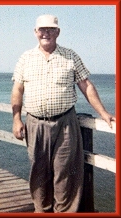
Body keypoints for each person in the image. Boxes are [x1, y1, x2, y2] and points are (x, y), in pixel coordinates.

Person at [11, 14, 116, 213]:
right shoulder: (25, 58)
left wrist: (103, 112)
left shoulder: (71, 56)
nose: (46, 33)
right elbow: (17, 90)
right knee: (38, 172)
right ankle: (41, 210)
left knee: (65, 172)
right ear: (35, 33)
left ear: (58, 32)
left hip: (66, 122)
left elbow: (86, 86)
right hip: (34, 123)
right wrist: (16, 119)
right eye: (42, 29)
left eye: (51, 29)